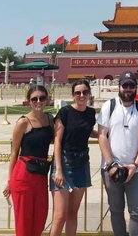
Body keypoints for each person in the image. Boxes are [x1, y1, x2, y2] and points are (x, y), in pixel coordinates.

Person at [97, 72, 138, 236]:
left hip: (136, 169)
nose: (128, 89)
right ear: (119, 87)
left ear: (135, 88)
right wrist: (111, 164)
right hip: (111, 169)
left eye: (131, 86)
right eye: (125, 85)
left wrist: (135, 165)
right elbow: (101, 136)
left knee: (137, 211)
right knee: (116, 210)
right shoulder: (109, 106)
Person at [3, 85, 54, 236]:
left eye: (42, 98)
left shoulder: (50, 120)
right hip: (23, 176)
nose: (38, 101)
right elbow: (14, 153)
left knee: (39, 219)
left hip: (40, 175)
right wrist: (9, 180)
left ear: (47, 100)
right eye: (34, 99)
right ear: (28, 101)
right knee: (24, 223)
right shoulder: (23, 123)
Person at [49, 79, 97, 236]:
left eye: (85, 92)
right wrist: (59, 171)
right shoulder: (65, 112)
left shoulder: (91, 113)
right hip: (63, 162)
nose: (81, 95)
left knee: (72, 212)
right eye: (78, 92)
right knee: (59, 215)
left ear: (89, 93)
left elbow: (86, 130)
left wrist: (106, 136)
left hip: (82, 163)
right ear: (73, 95)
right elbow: (57, 140)